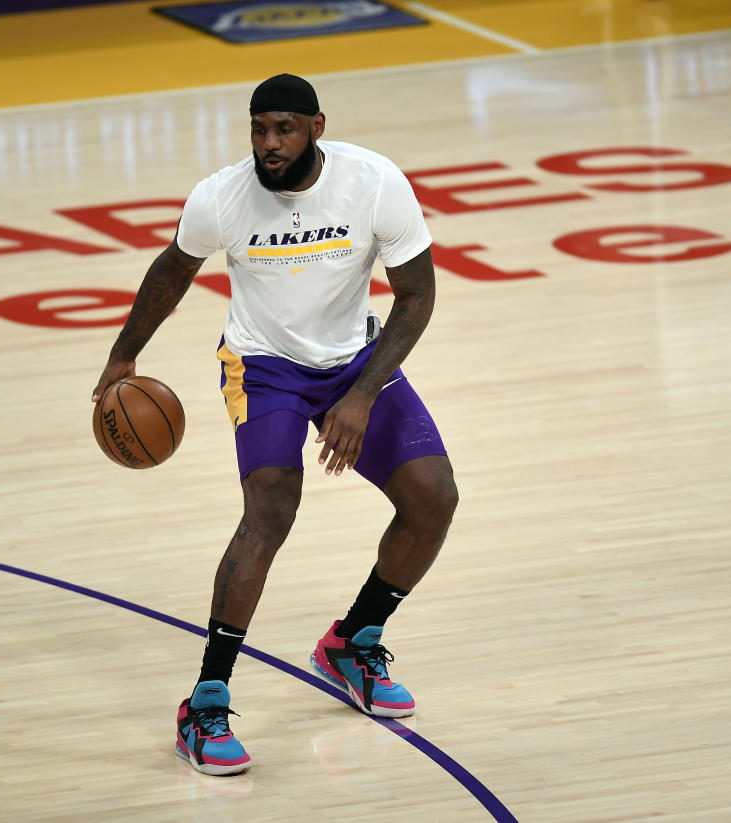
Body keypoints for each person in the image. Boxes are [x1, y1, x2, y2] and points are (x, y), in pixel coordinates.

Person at [91, 73, 458, 776]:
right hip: (262, 366)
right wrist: (123, 352)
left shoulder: (374, 182)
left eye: (285, 129)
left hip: (356, 360)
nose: (269, 144)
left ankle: (353, 641)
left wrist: (362, 394)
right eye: (259, 130)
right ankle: (205, 699)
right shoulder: (222, 195)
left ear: (317, 126)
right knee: (270, 509)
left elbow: (417, 297)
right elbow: (172, 270)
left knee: (434, 497)